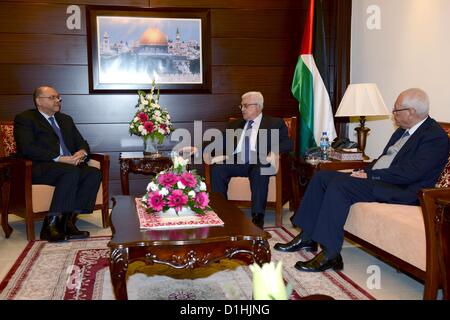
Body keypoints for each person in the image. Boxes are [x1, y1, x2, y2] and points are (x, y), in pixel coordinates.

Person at [274, 88, 449, 272]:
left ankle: (331, 253)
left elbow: (412, 173)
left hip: (405, 190)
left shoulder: (434, 136)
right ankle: (308, 236)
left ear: (411, 112)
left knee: (340, 186)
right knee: (322, 177)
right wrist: (363, 170)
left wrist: (372, 175)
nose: (393, 114)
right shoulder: (402, 131)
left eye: (396, 110)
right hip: (383, 179)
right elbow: (384, 159)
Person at [14, 86, 102, 242]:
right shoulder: (25, 119)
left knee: (93, 173)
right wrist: (58, 158)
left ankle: (68, 223)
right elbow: (27, 148)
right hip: (39, 166)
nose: (57, 101)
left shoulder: (65, 119)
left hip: (67, 166)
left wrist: (82, 153)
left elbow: (82, 142)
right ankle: (50, 227)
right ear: (38, 101)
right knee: (70, 172)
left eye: (58, 97)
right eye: (52, 98)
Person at [208, 91, 293, 229]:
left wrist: (273, 151)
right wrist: (198, 149)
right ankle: (222, 213)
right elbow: (219, 141)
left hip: (259, 160)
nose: (242, 109)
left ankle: (258, 217)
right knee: (218, 167)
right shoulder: (235, 124)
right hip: (237, 160)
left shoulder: (274, 123)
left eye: (245, 105)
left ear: (257, 107)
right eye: (241, 106)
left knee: (261, 168)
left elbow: (288, 143)